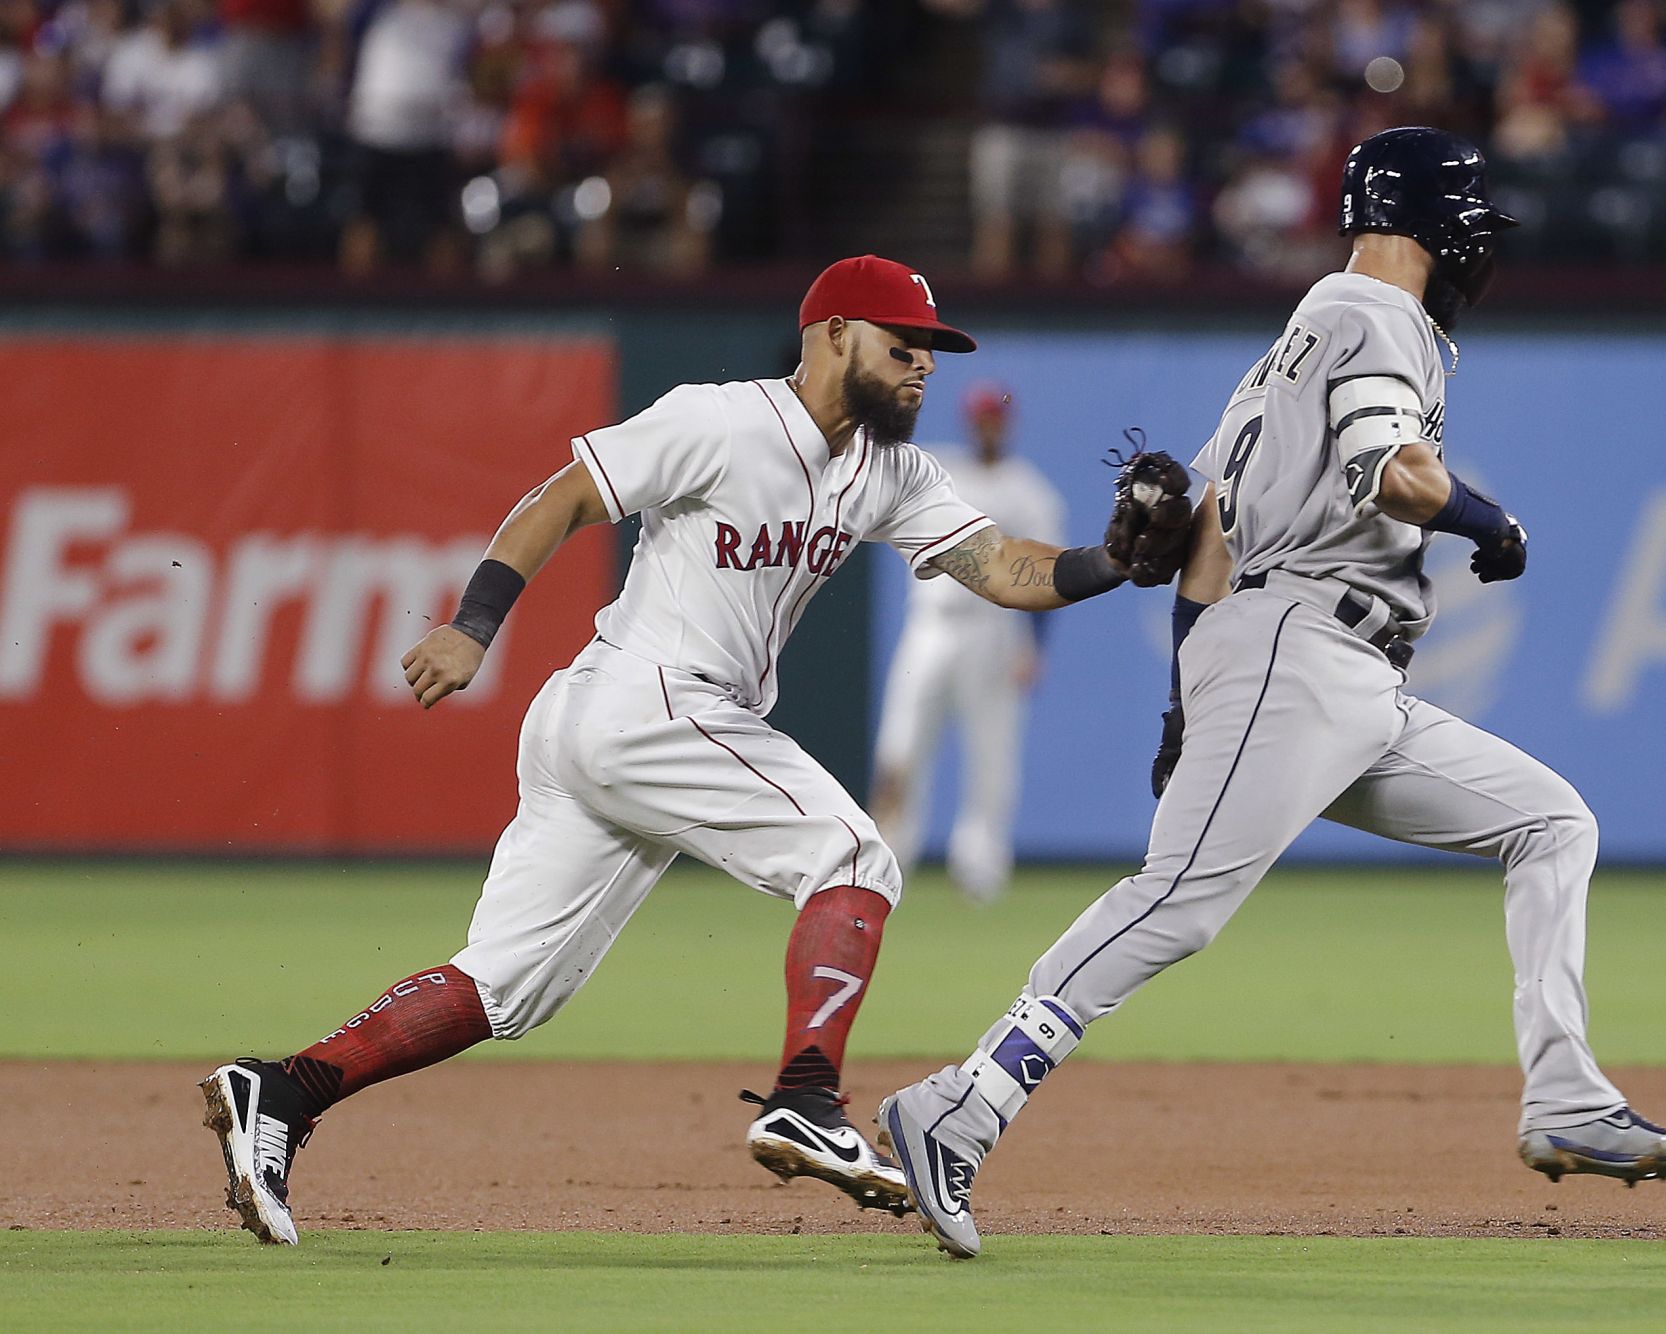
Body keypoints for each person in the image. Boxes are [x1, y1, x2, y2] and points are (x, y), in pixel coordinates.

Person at [198, 254, 1181, 1246]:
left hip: (619, 729)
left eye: (932, 347)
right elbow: (562, 496)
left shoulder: (886, 468)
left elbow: (1006, 568)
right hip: (646, 698)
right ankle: (806, 1094)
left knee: (506, 987)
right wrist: (472, 624)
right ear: (834, 332)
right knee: (852, 855)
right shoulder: (720, 418)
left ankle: (282, 1088)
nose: (925, 365)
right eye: (904, 342)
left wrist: (1113, 560)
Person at [879, 128, 1666, 1260]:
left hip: (1328, 665)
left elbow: (1200, 531)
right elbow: (1390, 469)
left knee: (1550, 821)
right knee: (1176, 901)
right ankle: (958, 1104)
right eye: (1468, 224)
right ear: (1433, 225)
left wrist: (1182, 704)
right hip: (1298, 647)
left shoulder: (1293, 341)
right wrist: (1488, 520)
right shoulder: (1375, 316)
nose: (1477, 249)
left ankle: (1563, 1094)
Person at [871, 382, 1065, 902]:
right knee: (901, 742)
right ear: (968, 421)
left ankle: (981, 864)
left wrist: (1035, 646)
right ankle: (886, 859)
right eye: (980, 418)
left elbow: (1045, 572)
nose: (987, 426)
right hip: (932, 622)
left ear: (1008, 424)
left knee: (991, 753)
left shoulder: (1031, 491)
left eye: (994, 419)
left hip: (993, 630)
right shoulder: (940, 469)